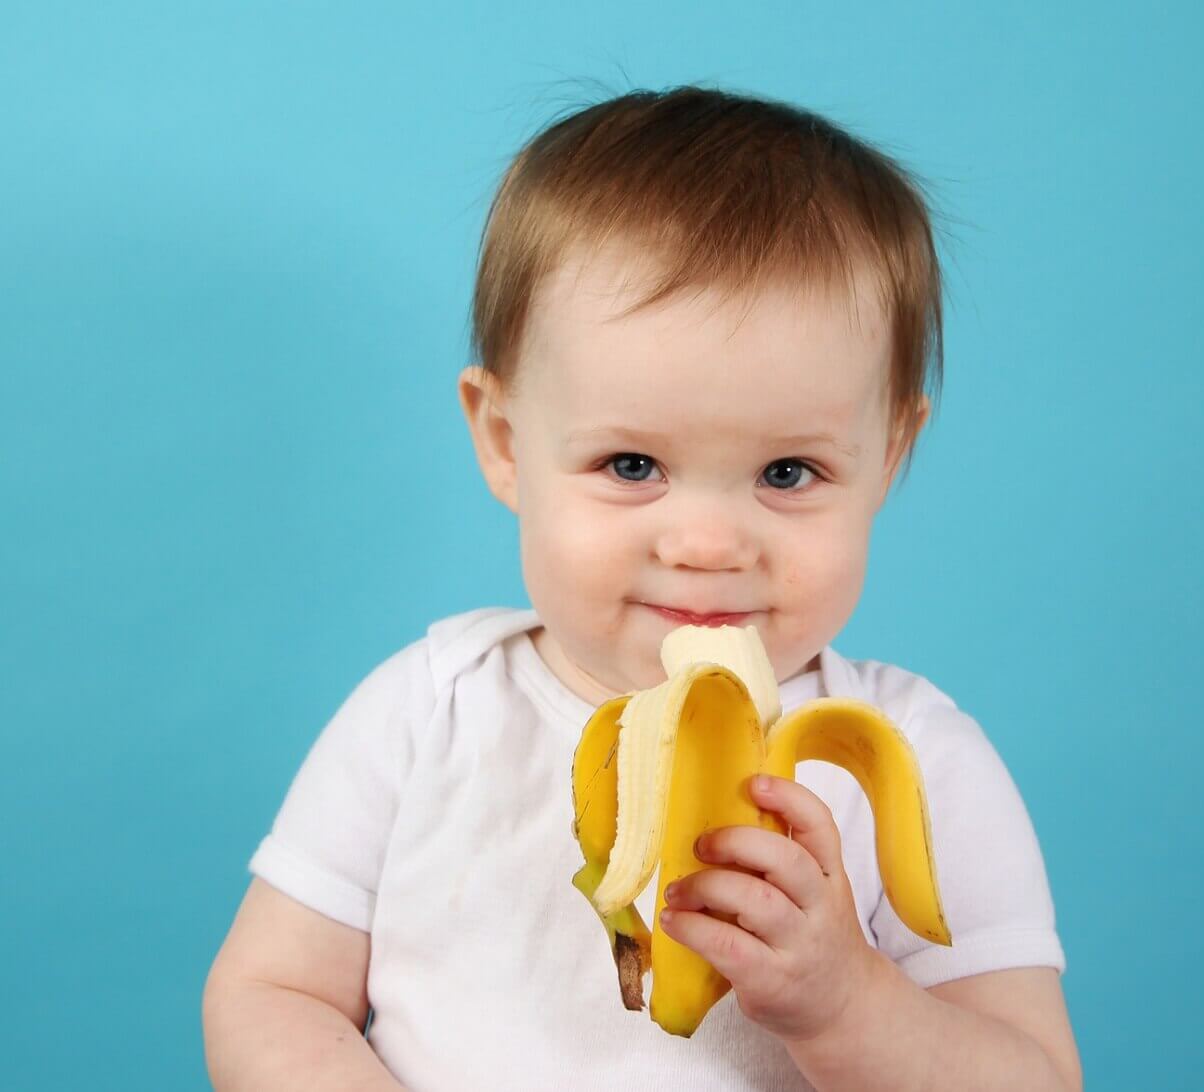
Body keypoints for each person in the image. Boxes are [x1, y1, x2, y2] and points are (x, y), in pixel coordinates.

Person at [202, 84, 1083, 1091]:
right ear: (504, 442)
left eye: (787, 473)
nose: (708, 544)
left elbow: (1036, 1077)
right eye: (631, 465)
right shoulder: (426, 712)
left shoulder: (911, 763)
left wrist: (853, 1004)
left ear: (888, 457)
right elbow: (271, 993)